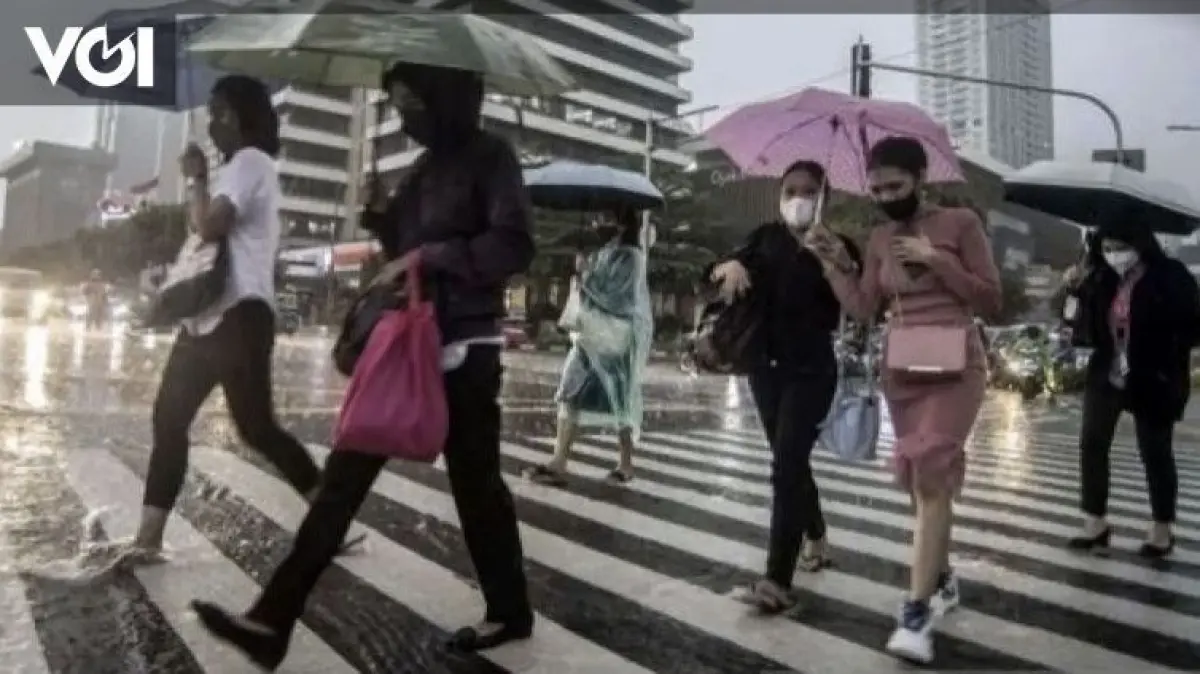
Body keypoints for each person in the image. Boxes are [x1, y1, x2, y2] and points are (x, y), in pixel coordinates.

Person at [191, 61, 536, 670]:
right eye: (397, 105)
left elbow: (513, 244)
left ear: (444, 97)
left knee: (476, 486)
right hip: (405, 343)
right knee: (343, 479)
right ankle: (271, 621)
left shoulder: (493, 157)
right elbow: (402, 252)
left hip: (464, 349)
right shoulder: (422, 168)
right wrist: (382, 218)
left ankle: (510, 610)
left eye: (413, 103)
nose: (404, 117)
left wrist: (430, 256)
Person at [114, 75, 338, 564]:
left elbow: (211, 226)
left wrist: (197, 178)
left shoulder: (251, 162)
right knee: (170, 419)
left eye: (218, 113)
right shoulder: (239, 169)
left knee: (256, 427)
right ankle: (147, 539)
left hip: (239, 314)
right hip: (205, 317)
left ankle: (331, 520)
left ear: (238, 117)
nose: (212, 124)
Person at [806, 137, 1001, 664]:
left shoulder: (960, 224)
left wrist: (936, 259)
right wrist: (834, 265)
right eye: (876, 190)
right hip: (903, 367)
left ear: (920, 179)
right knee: (920, 482)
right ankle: (941, 577)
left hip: (957, 363)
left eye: (895, 186)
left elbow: (990, 298)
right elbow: (864, 307)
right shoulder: (879, 236)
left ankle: (915, 614)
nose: (885, 197)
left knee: (933, 471)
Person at [706, 160, 860, 613]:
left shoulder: (837, 245)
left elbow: (861, 304)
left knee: (787, 464)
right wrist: (728, 266)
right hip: (764, 368)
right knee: (787, 460)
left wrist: (842, 265)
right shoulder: (765, 238)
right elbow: (712, 272)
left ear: (824, 197)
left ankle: (777, 579)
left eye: (808, 191)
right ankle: (816, 533)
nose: (798, 199)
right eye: (790, 191)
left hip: (811, 370)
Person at [1061, 220, 1198, 558]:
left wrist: (1165, 336)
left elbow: (1193, 325)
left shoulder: (1171, 275)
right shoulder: (1100, 276)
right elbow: (1078, 326)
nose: (1114, 255)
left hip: (1154, 374)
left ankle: (1162, 529)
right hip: (1107, 371)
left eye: (1120, 248)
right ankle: (1095, 523)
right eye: (1107, 248)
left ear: (1140, 244)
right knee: (1092, 443)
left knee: (1155, 450)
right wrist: (1076, 289)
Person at [525, 208, 653, 486]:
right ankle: (559, 461)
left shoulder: (632, 257)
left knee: (619, 398)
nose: (598, 223)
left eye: (605, 217)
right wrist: (582, 276)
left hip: (614, 339)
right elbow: (589, 293)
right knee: (568, 390)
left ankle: (626, 463)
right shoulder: (602, 253)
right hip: (588, 334)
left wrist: (587, 278)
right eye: (597, 218)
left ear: (622, 223)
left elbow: (620, 299)